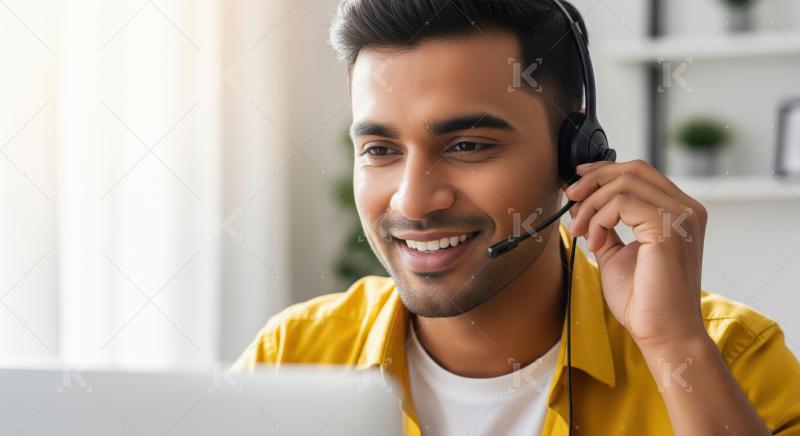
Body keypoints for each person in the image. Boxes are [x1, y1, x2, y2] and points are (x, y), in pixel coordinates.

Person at [230, 1, 800, 434]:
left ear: (575, 155)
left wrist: (676, 345)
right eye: (381, 150)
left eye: (468, 146)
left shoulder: (726, 357)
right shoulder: (293, 357)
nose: (412, 202)